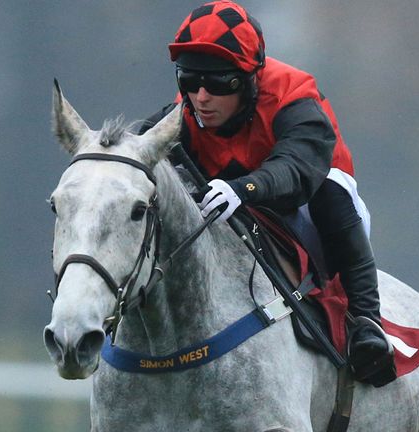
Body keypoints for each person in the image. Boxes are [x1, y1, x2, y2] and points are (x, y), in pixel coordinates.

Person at [139, 1, 395, 387]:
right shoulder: (185, 113)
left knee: (331, 190)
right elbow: (135, 154)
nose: (201, 97)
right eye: (189, 81)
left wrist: (243, 188)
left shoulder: (295, 97)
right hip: (238, 208)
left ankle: (367, 324)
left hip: (307, 208)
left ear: (248, 79)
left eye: (218, 83)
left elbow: (296, 169)